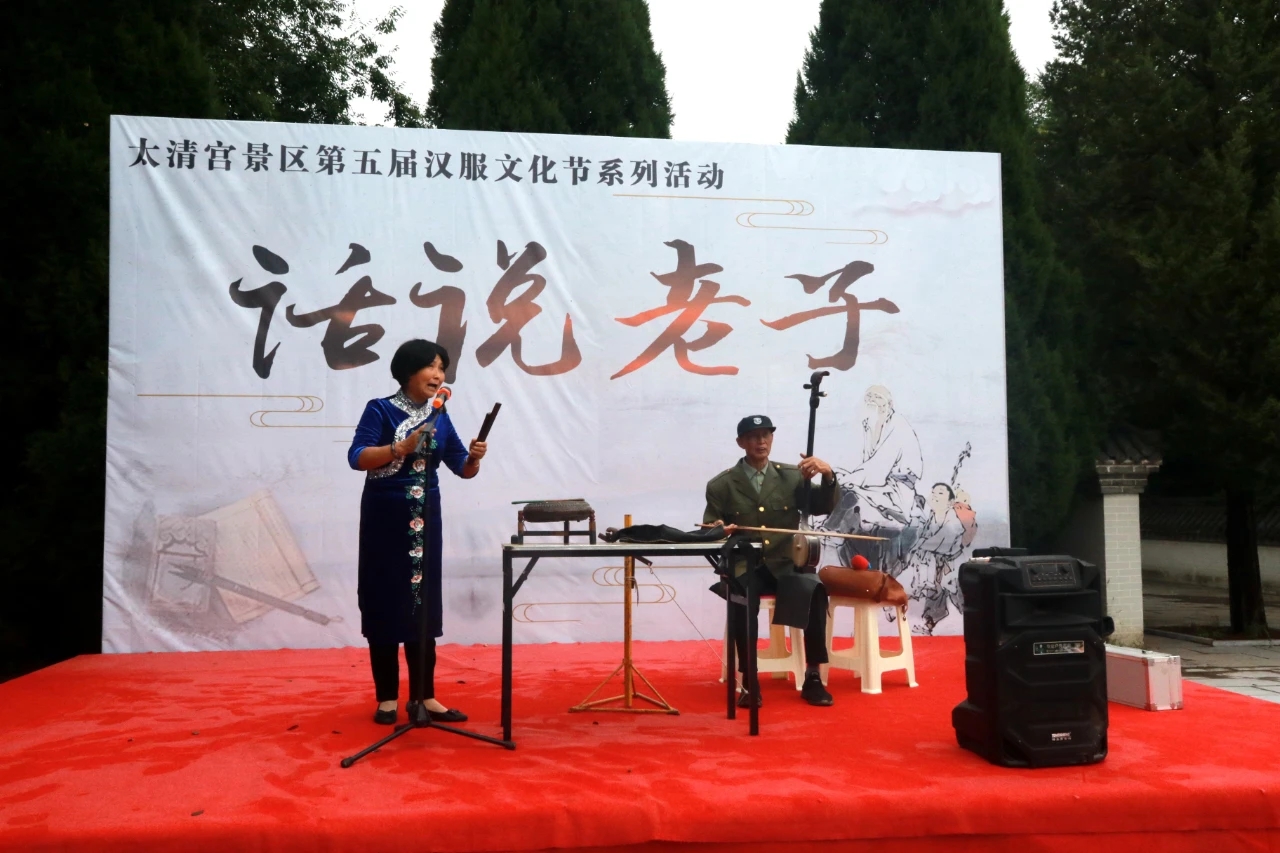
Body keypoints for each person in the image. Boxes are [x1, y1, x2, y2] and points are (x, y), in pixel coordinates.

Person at [347, 339, 487, 725]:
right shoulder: (379, 409)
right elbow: (357, 457)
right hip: (384, 519)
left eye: (442, 368)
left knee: (421, 606)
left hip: (425, 520)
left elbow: (460, 466)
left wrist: (474, 459)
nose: (439, 375)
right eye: (431, 366)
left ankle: (425, 696)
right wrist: (400, 447)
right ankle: (387, 698)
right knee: (383, 602)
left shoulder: (439, 415)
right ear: (408, 371)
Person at [704, 415, 839, 707]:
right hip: (747, 565)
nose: (761, 441)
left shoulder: (792, 476)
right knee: (742, 598)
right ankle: (749, 679)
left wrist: (828, 476)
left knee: (814, 591)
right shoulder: (722, 485)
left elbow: (822, 505)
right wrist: (719, 530)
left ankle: (813, 676)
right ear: (741, 443)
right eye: (753, 436)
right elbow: (710, 527)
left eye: (766, 435)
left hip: (785, 564)